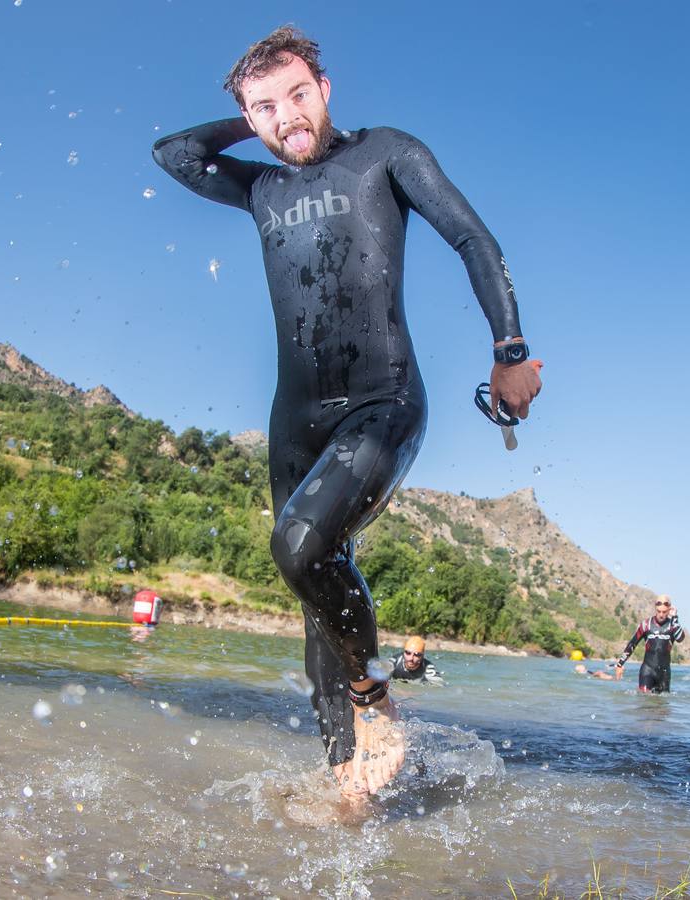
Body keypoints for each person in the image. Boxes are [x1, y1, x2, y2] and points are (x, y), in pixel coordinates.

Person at [153, 27, 541, 800]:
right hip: (294, 421)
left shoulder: (384, 153)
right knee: (314, 598)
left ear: (326, 90)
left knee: (299, 547)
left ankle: (375, 702)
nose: (288, 115)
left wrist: (510, 351)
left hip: (383, 400)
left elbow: (472, 237)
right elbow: (174, 154)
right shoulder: (260, 187)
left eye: (300, 94)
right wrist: (260, 121)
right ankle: (349, 791)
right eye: (266, 107)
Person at [615, 595, 685, 693]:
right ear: (655, 609)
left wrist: (675, 618)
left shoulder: (672, 626)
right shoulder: (646, 625)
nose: (661, 615)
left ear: (669, 610)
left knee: (663, 701)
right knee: (644, 699)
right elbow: (632, 644)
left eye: (664, 612)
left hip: (664, 673)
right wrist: (620, 665)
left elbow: (680, 638)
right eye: (658, 611)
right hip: (647, 670)